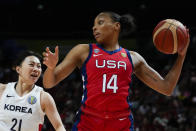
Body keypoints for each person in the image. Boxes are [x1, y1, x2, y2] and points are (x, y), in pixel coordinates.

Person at [42, 11, 190, 131]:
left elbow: (166, 88)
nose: (95, 28)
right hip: (88, 122)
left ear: (116, 26)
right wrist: (50, 68)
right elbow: (49, 83)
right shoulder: (83, 50)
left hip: (121, 124)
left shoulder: (133, 58)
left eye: (100, 23)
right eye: (94, 25)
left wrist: (181, 56)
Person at [0, 50, 66, 131]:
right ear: (18, 69)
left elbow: (59, 126)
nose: (36, 69)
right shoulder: (2, 90)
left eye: (38, 66)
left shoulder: (44, 97)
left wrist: (52, 69)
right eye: (31, 65)